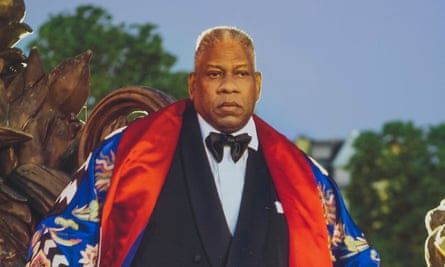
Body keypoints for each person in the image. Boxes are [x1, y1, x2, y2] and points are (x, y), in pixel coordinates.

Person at [26, 26, 380, 267]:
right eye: (215, 74)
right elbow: (61, 238)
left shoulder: (304, 175)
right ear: (193, 84)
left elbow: (353, 255)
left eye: (240, 74)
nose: (228, 86)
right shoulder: (126, 152)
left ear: (257, 85)